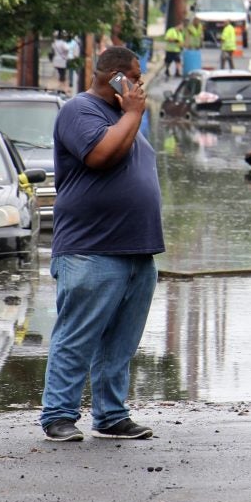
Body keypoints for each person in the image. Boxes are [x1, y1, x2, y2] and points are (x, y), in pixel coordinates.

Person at [40, 45, 164, 442]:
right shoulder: (79, 110)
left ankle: (111, 415)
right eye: (135, 76)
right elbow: (100, 156)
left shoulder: (124, 119)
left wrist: (130, 116)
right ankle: (58, 414)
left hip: (136, 250)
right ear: (114, 77)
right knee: (76, 336)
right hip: (91, 248)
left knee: (120, 344)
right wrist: (132, 113)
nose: (140, 84)